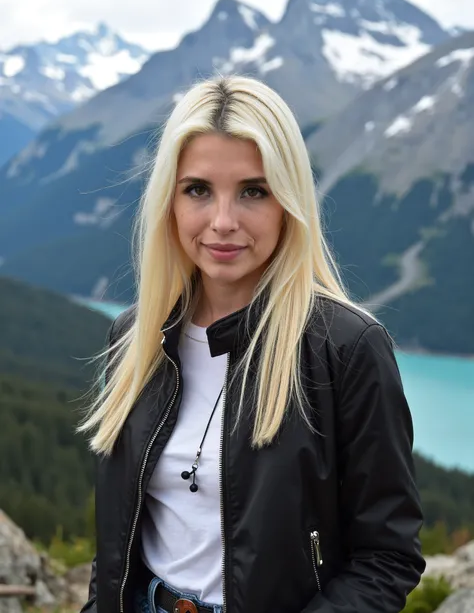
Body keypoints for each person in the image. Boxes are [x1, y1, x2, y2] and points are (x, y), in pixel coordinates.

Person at [78, 74, 425, 613]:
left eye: (253, 191)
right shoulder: (134, 338)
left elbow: (387, 557)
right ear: (168, 200)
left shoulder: (347, 349)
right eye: (198, 190)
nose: (222, 222)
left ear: (289, 201)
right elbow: (117, 540)